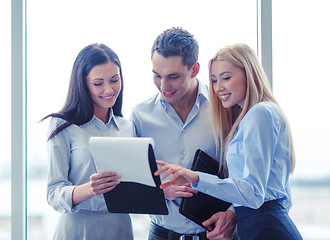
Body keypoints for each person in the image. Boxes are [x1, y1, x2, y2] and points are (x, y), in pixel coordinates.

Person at [154, 43, 303, 239]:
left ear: (249, 74)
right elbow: (280, 196)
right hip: (259, 225)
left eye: (226, 78)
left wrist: (195, 177)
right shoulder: (251, 116)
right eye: (214, 80)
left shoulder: (259, 113)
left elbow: (253, 193)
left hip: (265, 227)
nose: (218, 88)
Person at [130, 27, 237, 240]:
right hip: (161, 234)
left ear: (195, 69)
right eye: (156, 75)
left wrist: (234, 213)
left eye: (173, 77)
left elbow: (245, 174)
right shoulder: (140, 116)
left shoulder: (225, 108)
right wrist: (161, 192)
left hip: (217, 233)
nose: (163, 85)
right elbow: (132, 184)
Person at [42, 43, 135, 240]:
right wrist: (88, 189)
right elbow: (53, 193)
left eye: (114, 80)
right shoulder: (63, 125)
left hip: (121, 228)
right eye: (98, 83)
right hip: (77, 229)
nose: (109, 89)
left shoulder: (127, 127)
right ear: (83, 84)